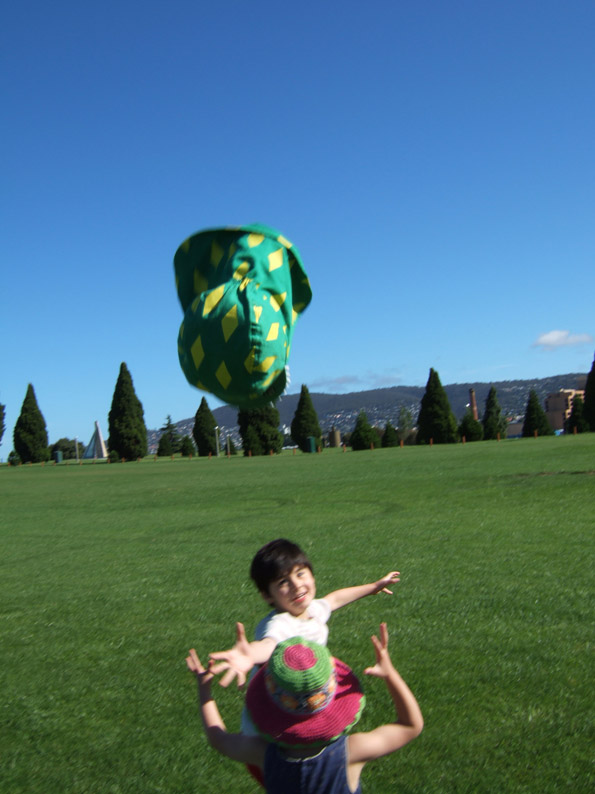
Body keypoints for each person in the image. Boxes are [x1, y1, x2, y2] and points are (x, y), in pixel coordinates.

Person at [186, 623, 423, 793]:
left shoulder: (262, 754)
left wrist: (204, 690)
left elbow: (219, 738)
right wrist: (390, 674)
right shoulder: (352, 751)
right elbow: (410, 725)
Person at [209, 538, 400, 688]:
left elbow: (334, 599)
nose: (296, 585)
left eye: (300, 574)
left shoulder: (312, 609)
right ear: (267, 596)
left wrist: (374, 587)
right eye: (283, 582)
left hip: (305, 696)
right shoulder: (281, 624)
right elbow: (269, 644)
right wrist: (250, 654)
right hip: (276, 714)